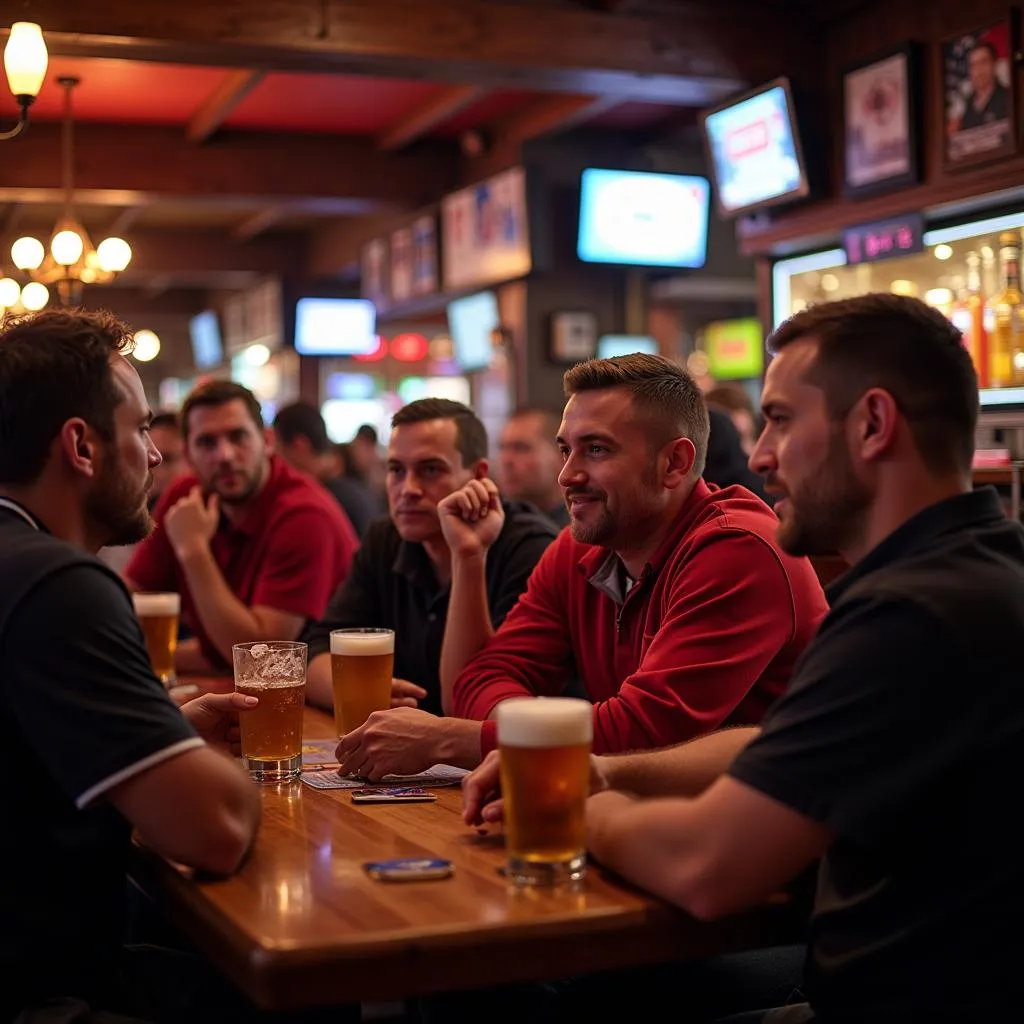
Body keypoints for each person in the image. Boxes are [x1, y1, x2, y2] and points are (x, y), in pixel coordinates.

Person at [467, 293, 1024, 1022]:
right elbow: (770, 744)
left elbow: (706, 868)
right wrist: (600, 767)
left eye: (782, 420)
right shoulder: (975, 572)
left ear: (873, 425)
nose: (759, 454)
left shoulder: (907, 617)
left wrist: (570, 801)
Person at [335, 354, 827, 779]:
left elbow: (644, 733)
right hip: (641, 819)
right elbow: (480, 678)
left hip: (764, 857)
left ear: (674, 463)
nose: (568, 475)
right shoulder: (579, 548)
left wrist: (450, 740)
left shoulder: (737, 550)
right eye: (565, 449)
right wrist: (526, 734)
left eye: (596, 449)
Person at [0, 309, 263, 1021]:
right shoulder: (57, 583)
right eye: (143, 429)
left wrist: (159, 729)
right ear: (81, 445)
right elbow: (216, 828)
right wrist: (215, 760)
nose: (156, 457)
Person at [303, 398, 557, 718]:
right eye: (396, 469)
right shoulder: (386, 538)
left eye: (430, 470)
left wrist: (468, 553)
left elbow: (481, 695)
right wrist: (358, 692)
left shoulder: (529, 549)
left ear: (478, 474)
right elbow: (315, 652)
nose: (408, 488)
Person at [125, 381, 358, 676]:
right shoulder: (186, 496)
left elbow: (258, 658)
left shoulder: (304, 514)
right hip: (233, 690)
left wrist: (193, 551)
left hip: (315, 703)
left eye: (238, 437)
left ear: (268, 441)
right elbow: (130, 597)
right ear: (188, 454)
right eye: (206, 443)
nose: (224, 455)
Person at [273, 401, 379, 537]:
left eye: (278, 449)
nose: (276, 460)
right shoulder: (353, 485)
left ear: (299, 445)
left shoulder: (323, 501)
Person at [498, 406, 569, 527]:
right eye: (502, 448)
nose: (506, 460)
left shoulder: (582, 534)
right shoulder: (494, 528)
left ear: (561, 456)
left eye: (521, 448)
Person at [957, 39, 1010, 132]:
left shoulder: (1009, 98)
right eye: (973, 65)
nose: (978, 71)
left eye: (983, 62)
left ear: (994, 64)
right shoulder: (966, 107)